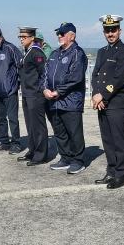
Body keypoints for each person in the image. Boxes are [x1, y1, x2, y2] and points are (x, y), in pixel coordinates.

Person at [91, 14, 124, 189]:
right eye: (107, 30)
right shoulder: (102, 52)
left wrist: (103, 95)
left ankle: (121, 174)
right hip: (102, 102)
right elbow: (95, 75)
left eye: (113, 30)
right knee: (107, 140)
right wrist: (95, 94)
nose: (111, 33)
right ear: (104, 32)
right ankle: (111, 171)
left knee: (119, 139)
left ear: (119, 30)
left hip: (118, 103)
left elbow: (119, 78)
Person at [43, 22, 88, 174]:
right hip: (54, 101)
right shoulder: (55, 54)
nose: (59, 36)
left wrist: (57, 91)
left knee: (74, 132)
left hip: (70, 101)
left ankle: (78, 160)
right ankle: (65, 157)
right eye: (58, 33)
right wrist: (44, 89)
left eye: (62, 33)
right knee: (59, 132)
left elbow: (75, 78)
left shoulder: (77, 53)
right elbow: (45, 73)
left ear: (72, 36)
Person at [0, 24, 24, 154]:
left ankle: (16, 143)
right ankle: (4, 142)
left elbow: (21, 65)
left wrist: (17, 84)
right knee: (0, 119)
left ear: (1, 34)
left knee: (13, 119)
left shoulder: (10, 48)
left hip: (10, 91)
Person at [17, 27, 50, 166]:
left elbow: (44, 73)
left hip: (35, 94)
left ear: (32, 38)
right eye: (20, 36)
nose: (22, 39)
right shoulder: (26, 52)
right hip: (26, 93)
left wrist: (41, 90)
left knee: (38, 126)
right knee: (30, 125)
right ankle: (32, 150)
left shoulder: (37, 52)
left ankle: (41, 154)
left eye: (24, 36)